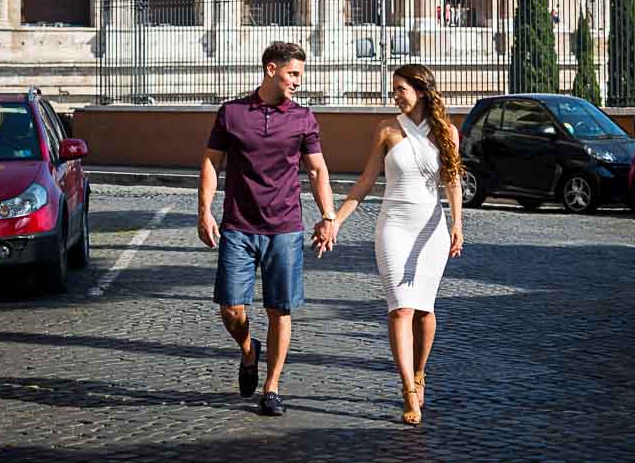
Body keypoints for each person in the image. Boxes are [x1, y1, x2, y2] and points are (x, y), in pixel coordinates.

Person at [312, 63, 463, 426]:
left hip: (431, 228)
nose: (395, 95)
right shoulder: (386, 129)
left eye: (401, 89)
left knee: (424, 313)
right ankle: (408, 390)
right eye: (394, 89)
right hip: (394, 226)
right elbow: (366, 182)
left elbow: (452, 181)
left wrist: (458, 223)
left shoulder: (448, 133)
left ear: (422, 90)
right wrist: (335, 220)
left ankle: (420, 371)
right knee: (400, 310)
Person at [197, 41, 336, 416]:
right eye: (293, 74)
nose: (297, 82)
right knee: (230, 309)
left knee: (280, 310)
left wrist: (328, 215)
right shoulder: (232, 113)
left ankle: (272, 387)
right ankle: (248, 349)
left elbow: (317, 170)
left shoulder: (304, 118)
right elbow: (212, 162)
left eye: (300, 76)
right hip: (238, 227)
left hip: (286, 228)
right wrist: (204, 210)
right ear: (271, 69)